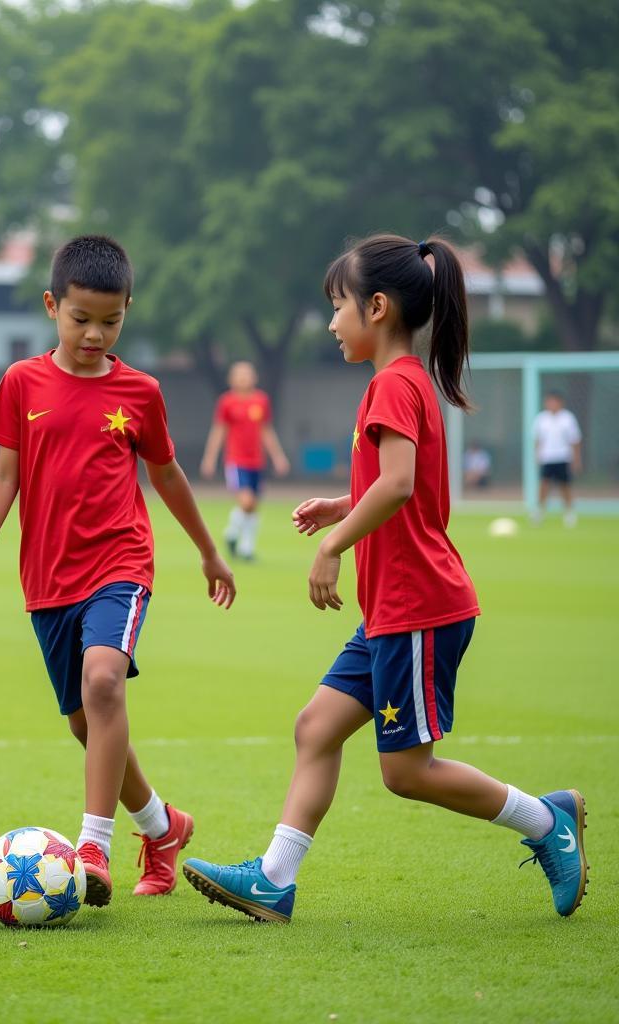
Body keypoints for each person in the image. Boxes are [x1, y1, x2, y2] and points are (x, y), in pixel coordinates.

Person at [183, 236, 587, 923]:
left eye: (338, 307)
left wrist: (334, 544)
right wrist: (343, 505)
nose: (333, 323)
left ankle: (548, 823)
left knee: (405, 772)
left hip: (421, 607)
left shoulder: (394, 384)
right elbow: (404, 486)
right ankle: (274, 881)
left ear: (376, 306)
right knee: (315, 728)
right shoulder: (401, 383)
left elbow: (399, 486)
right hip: (393, 611)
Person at [0, 236, 235, 907]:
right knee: (86, 722)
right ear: (53, 306)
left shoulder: (141, 391)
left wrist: (207, 549)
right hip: (47, 579)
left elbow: (166, 474)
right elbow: (3, 475)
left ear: (128, 311)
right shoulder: (21, 383)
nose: (95, 333)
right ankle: (162, 829)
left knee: (104, 680)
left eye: (111, 321)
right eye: (81, 318)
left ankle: (93, 846)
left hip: (120, 562)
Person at [200, 361, 291, 560]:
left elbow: (266, 430)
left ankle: (246, 547)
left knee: (254, 505)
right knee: (246, 502)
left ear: (254, 377)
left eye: (247, 374)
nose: (243, 378)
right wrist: (209, 458)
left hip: (257, 461)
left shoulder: (261, 400)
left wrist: (278, 457)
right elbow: (219, 431)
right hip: (236, 460)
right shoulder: (227, 402)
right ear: (231, 379)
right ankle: (231, 533)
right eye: (239, 374)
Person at [532, 390, 582, 527]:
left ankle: (569, 513)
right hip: (547, 458)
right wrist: (537, 456)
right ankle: (539, 512)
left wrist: (576, 459)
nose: (551, 404)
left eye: (554, 401)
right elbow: (538, 440)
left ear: (560, 403)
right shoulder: (541, 419)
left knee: (564, 486)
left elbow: (575, 440)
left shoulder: (568, 418)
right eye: (549, 401)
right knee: (543, 485)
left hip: (563, 457)